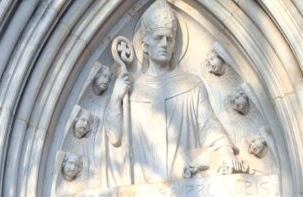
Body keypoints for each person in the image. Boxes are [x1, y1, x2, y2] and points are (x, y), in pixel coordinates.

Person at [104, 0, 243, 185]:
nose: (165, 44)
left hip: (187, 184)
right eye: (159, 38)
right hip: (142, 185)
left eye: (169, 39)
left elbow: (209, 126)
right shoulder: (133, 92)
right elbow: (114, 137)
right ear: (144, 45)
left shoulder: (191, 85)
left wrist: (225, 151)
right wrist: (116, 98)